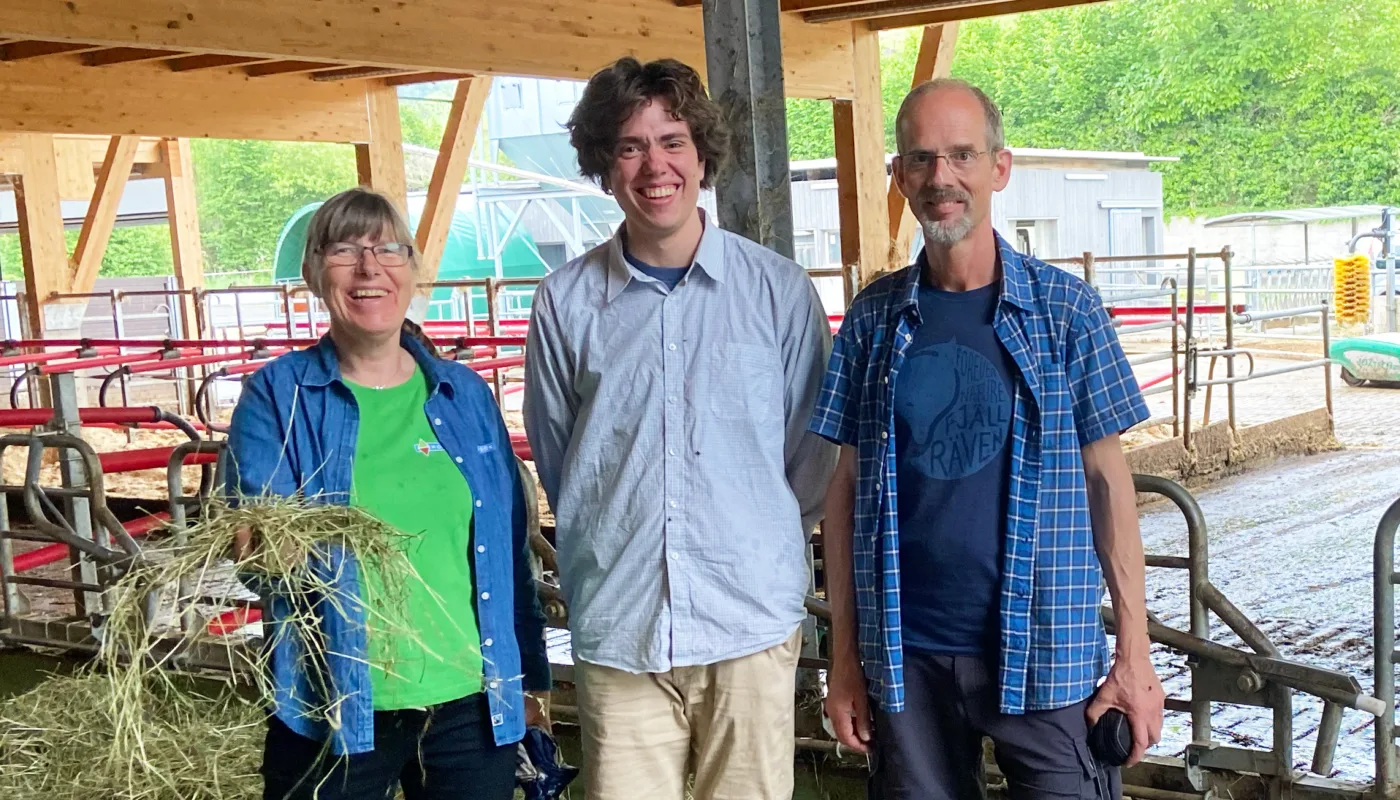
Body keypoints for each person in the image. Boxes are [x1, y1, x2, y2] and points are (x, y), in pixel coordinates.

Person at [811, 78, 1165, 800]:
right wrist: (844, 659)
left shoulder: (1067, 312)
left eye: (962, 155)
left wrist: (1135, 654)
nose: (941, 176)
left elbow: (1108, 484)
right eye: (921, 158)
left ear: (999, 168)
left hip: (1045, 649)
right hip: (905, 659)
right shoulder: (873, 319)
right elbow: (844, 494)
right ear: (900, 175)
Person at [523, 57, 837, 800]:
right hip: (621, 622)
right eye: (630, 147)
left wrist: (751, 538)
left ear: (701, 155)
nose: (654, 166)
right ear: (605, 165)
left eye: (672, 141)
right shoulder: (565, 302)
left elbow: (810, 458)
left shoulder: (778, 292)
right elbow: (564, 459)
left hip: (747, 619)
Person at [226, 187, 550, 800]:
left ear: (411, 269)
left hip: (471, 702)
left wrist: (529, 677)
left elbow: (508, 549)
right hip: (334, 700)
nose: (369, 268)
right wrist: (267, 551)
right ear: (314, 272)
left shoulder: (464, 394)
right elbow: (257, 546)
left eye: (388, 250)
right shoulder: (280, 395)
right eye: (345, 250)